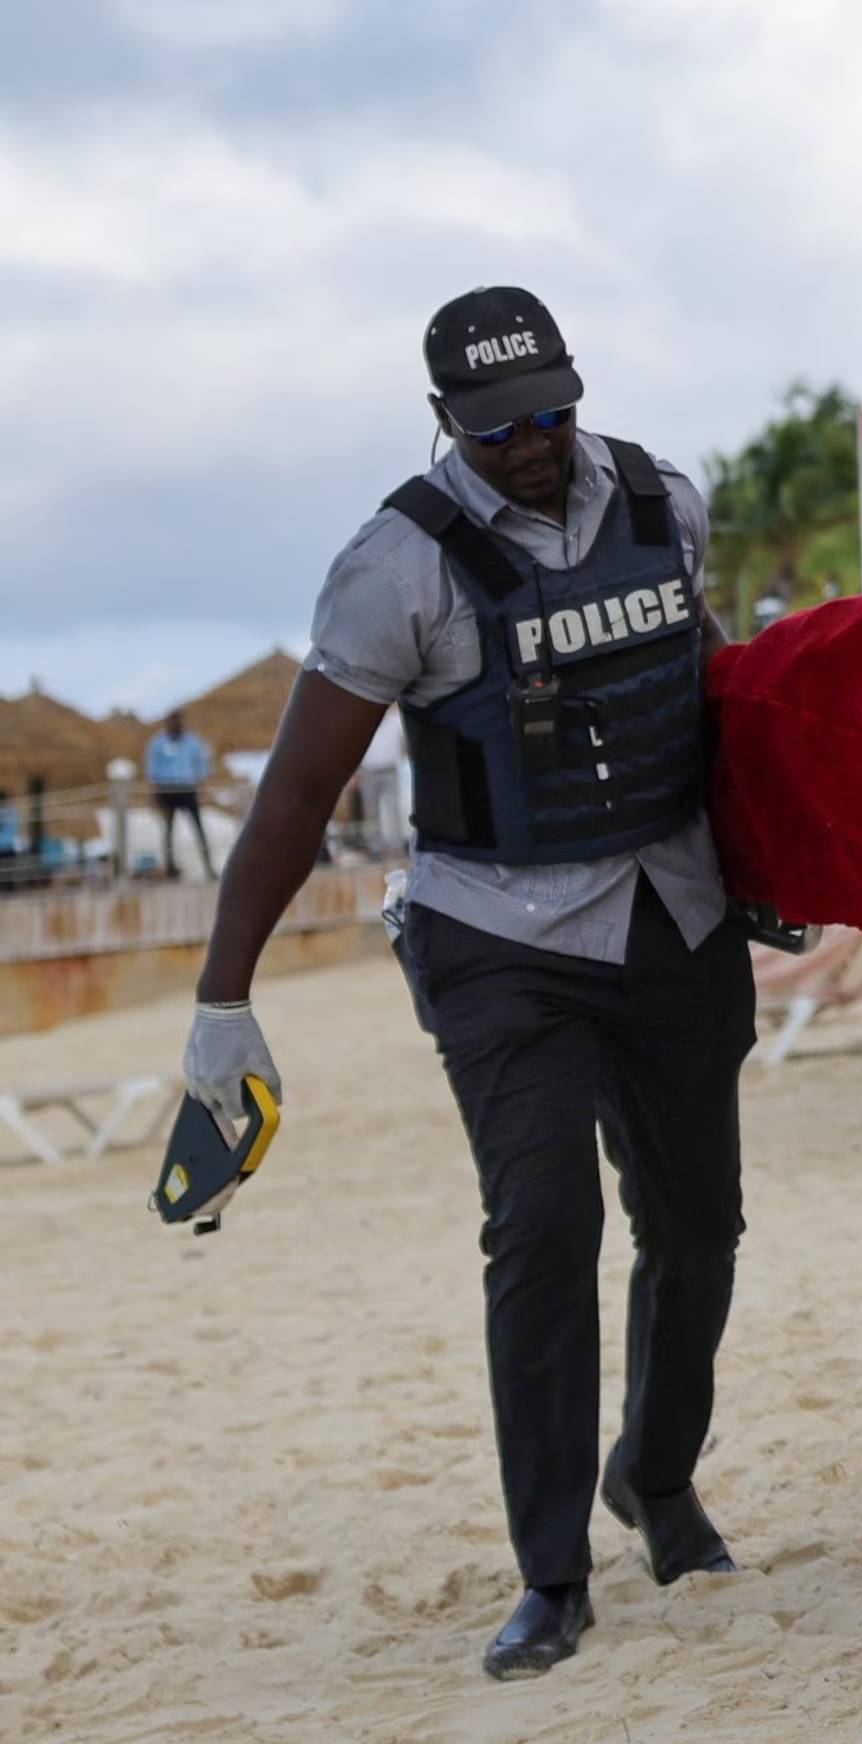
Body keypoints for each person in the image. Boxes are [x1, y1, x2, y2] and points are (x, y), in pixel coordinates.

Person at [178, 288, 757, 1680]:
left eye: (553, 411)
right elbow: (299, 793)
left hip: (673, 909)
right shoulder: (397, 567)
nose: (539, 444)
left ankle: (656, 1480)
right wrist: (220, 1001)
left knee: (698, 1229)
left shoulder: (661, 502)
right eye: (501, 431)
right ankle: (551, 1575)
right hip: (499, 936)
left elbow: (717, 688)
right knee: (544, 1226)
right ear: (449, 425)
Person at [146, 709, 215, 879]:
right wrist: (156, 792)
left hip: (187, 788)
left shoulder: (192, 741)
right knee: (169, 830)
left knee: (199, 828)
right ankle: (170, 868)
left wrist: (199, 779)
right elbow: (152, 767)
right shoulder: (158, 743)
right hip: (167, 789)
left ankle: (208, 867)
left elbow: (201, 762)